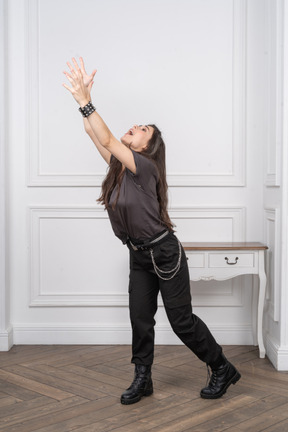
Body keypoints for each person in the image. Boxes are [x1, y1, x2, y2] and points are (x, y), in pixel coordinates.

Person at [63, 57, 241, 405]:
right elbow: (94, 133)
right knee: (140, 319)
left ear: (148, 147)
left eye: (143, 129)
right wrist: (79, 96)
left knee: (181, 322)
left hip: (164, 253)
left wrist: (87, 101)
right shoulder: (119, 168)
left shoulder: (143, 167)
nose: (136, 127)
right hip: (138, 254)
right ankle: (142, 379)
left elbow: (106, 135)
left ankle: (221, 367)